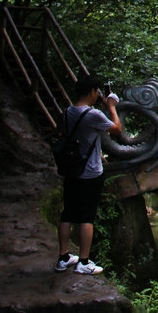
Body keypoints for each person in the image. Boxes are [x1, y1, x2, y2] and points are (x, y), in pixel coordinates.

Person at [55, 75, 122, 275]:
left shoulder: (67, 112)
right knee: (87, 217)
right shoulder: (93, 115)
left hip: (71, 170)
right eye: (97, 91)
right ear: (93, 91)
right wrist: (111, 107)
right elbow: (117, 129)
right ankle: (84, 261)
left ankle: (63, 257)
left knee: (67, 213)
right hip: (90, 172)